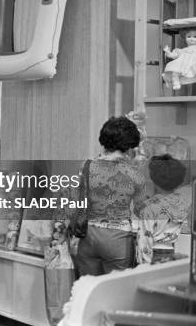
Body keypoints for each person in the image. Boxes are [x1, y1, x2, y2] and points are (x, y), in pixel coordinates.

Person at [73, 116, 148, 276]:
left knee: (88, 290)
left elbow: (77, 198)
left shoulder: (87, 166)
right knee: (116, 292)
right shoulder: (134, 173)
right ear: (129, 145)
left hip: (88, 236)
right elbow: (142, 210)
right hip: (118, 239)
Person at [136, 154, 191, 264]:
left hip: (156, 255)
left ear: (153, 180)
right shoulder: (185, 202)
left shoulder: (149, 210)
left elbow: (144, 244)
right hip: (179, 254)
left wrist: (143, 267)